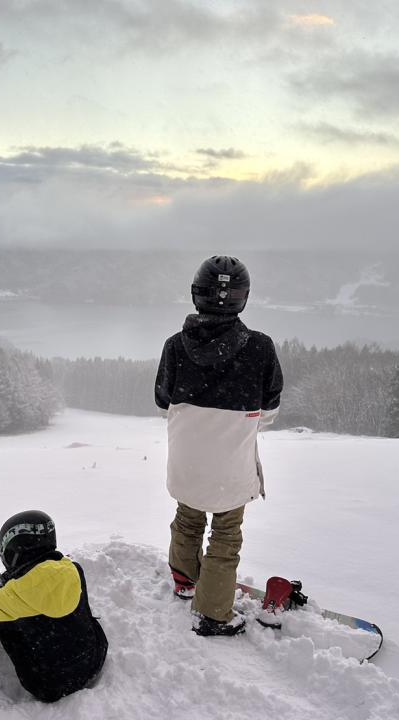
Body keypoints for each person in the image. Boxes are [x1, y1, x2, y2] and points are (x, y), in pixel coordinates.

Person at [154, 256, 283, 636]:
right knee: (225, 534)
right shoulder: (259, 347)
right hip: (231, 467)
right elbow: (270, 406)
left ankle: (184, 580)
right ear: (243, 298)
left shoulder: (175, 346)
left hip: (186, 461)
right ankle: (212, 613)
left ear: (197, 294)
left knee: (188, 517)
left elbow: (163, 400)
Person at [0, 510, 108, 703]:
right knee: (22, 612)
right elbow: (36, 587)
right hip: (95, 656)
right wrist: (7, 585)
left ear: (13, 549)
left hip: (51, 684)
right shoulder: (72, 569)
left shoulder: (16, 597)